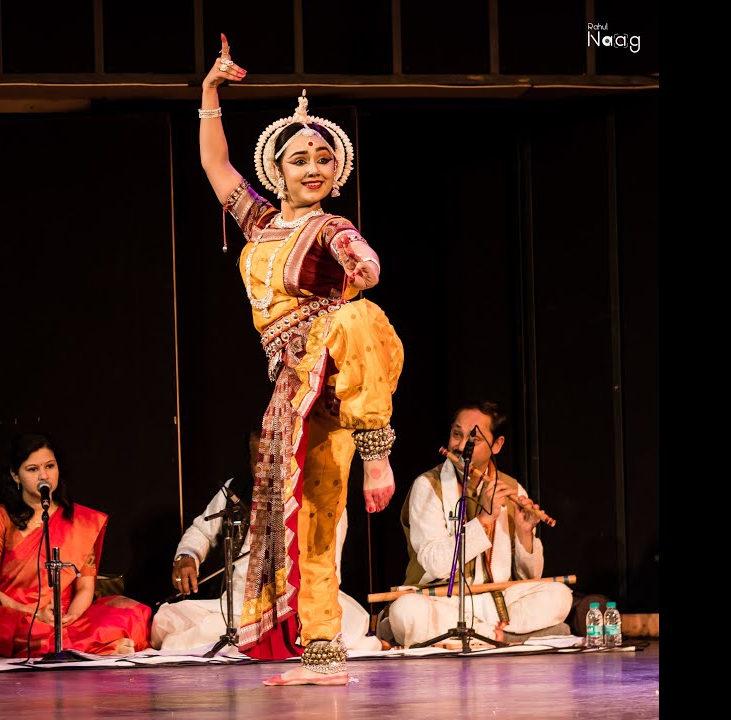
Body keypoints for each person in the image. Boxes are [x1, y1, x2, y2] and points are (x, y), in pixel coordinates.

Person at [198, 35, 405, 686]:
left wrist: (352, 265)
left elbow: (366, 271)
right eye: (299, 160)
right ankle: (322, 654)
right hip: (292, 389)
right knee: (309, 520)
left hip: (343, 367)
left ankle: (377, 452)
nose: (312, 168)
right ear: (277, 173)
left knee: (354, 315)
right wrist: (209, 94)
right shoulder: (259, 225)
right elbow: (216, 167)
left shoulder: (331, 228)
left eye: (322, 159)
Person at [153, 431, 379, 653]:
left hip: (302, 604)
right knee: (168, 621)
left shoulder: (319, 497)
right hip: (240, 605)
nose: (266, 470)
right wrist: (187, 557)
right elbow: (201, 531)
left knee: (344, 627)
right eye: (258, 461)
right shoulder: (237, 490)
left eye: (274, 461)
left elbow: (329, 569)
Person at [386, 402, 573, 648]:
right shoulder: (428, 486)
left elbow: (528, 578)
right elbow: (437, 564)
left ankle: (476, 637)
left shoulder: (512, 488)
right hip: (445, 600)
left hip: (496, 602)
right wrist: (484, 519)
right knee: (406, 612)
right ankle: (507, 637)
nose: (462, 446)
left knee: (559, 595)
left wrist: (525, 534)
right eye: (456, 434)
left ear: (497, 445)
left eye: (473, 439)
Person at [0, 433, 152, 658]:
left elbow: (85, 587)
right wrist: (34, 614)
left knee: (133, 614)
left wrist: (70, 617)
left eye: (50, 466)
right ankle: (94, 648)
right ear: (16, 476)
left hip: (67, 616)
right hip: (17, 615)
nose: (44, 475)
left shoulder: (80, 521)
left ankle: (71, 644)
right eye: (32, 469)